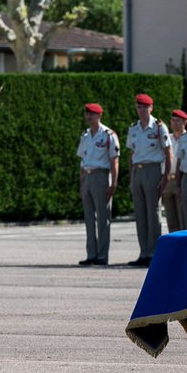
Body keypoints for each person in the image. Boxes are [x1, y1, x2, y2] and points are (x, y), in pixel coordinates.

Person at [126, 93, 172, 267]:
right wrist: (132, 176)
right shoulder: (134, 128)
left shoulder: (159, 127)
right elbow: (131, 154)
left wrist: (165, 176)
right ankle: (144, 252)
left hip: (153, 169)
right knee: (140, 214)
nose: (142, 110)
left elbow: (169, 153)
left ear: (151, 108)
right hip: (138, 170)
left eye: (145, 107)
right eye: (139, 107)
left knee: (153, 213)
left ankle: (154, 252)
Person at [76, 103, 119, 266]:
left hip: (101, 176)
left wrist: (113, 183)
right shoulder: (85, 136)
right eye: (87, 114)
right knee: (89, 219)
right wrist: (81, 183)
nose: (88, 117)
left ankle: (102, 255)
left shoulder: (108, 135)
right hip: (87, 176)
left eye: (92, 114)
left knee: (102, 218)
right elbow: (82, 161)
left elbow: (115, 161)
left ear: (99, 115)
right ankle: (91, 254)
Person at [162, 109, 187, 232]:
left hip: (182, 179)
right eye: (173, 120)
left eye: (178, 121)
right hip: (168, 179)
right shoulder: (167, 139)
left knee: (183, 218)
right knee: (171, 219)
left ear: (184, 122)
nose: (175, 123)